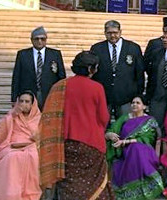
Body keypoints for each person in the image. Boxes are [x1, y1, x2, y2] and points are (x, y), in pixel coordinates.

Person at [39, 51, 113, 199]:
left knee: (69, 184)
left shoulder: (60, 86)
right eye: (95, 67)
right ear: (90, 69)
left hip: (66, 144)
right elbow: (104, 118)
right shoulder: (97, 87)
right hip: (92, 145)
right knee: (95, 184)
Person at [105, 95, 163, 200]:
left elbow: (148, 138)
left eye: (138, 103)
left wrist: (125, 142)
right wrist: (110, 135)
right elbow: (112, 130)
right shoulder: (125, 118)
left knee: (136, 148)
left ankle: (147, 185)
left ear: (144, 106)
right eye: (133, 103)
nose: (134, 105)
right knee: (134, 149)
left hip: (144, 149)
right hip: (124, 150)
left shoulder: (149, 121)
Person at [0, 91, 41, 200]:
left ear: (32, 104)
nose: (24, 104)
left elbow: (43, 135)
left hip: (31, 146)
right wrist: (12, 117)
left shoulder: (38, 118)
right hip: (12, 146)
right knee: (10, 157)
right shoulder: (11, 115)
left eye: (27, 102)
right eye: (21, 101)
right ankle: (10, 194)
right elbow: (1, 133)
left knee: (32, 156)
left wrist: (36, 137)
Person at [91, 20, 145, 118]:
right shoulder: (97, 49)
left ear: (120, 32)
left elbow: (139, 73)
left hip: (126, 97)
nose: (112, 36)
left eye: (115, 33)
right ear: (105, 33)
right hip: (104, 97)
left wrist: (138, 94)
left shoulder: (133, 48)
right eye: (109, 33)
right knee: (102, 126)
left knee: (126, 127)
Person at [12, 26, 66, 109]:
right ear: (31, 40)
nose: (39, 41)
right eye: (36, 39)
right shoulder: (23, 55)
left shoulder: (55, 54)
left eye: (42, 39)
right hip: (28, 95)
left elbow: (61, 77)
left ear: (46, 39)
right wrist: (14, 98)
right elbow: (16, 77)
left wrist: (62, 96)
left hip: (49, 94)